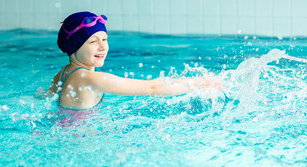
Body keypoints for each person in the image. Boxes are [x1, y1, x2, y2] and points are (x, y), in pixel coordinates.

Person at [39, 11, 223, 110]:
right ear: (74, 47)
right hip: (80, 144)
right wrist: (202, 84)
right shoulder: (90, 79)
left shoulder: (64, 73)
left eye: (104, 39)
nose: (103, 47)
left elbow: (44, 97)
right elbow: (152, 88)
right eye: (93, 41)